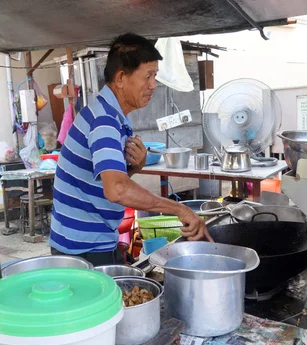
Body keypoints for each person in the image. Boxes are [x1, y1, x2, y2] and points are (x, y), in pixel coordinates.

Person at [50, 33, 212, 266]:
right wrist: (180, 210)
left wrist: (134, 168)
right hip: (83, 249)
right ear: (121, 78)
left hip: (83, 241)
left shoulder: (109, 114)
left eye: (155, 76)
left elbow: (103, 183)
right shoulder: (105, 121)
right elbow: (116, 190)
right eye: (148, 76)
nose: (153, 85)